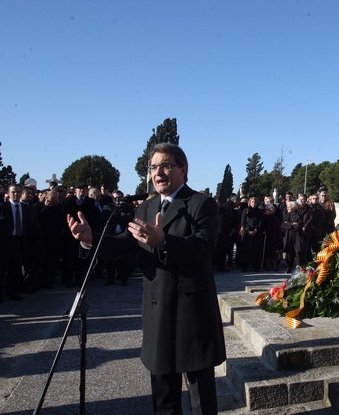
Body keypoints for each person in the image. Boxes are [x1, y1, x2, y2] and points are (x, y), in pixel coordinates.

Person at [68, 143, 226, 414]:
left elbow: (204, 248)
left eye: (166, 165)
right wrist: (90, 239)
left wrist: (165, 242)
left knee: (201, 398)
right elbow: (124, 244)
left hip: (192, 315)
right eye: (153, 167)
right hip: (158, 314)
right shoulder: (146, 207)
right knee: (163, 399)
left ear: (183, 170)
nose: (158, 172)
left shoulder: (202, 203)